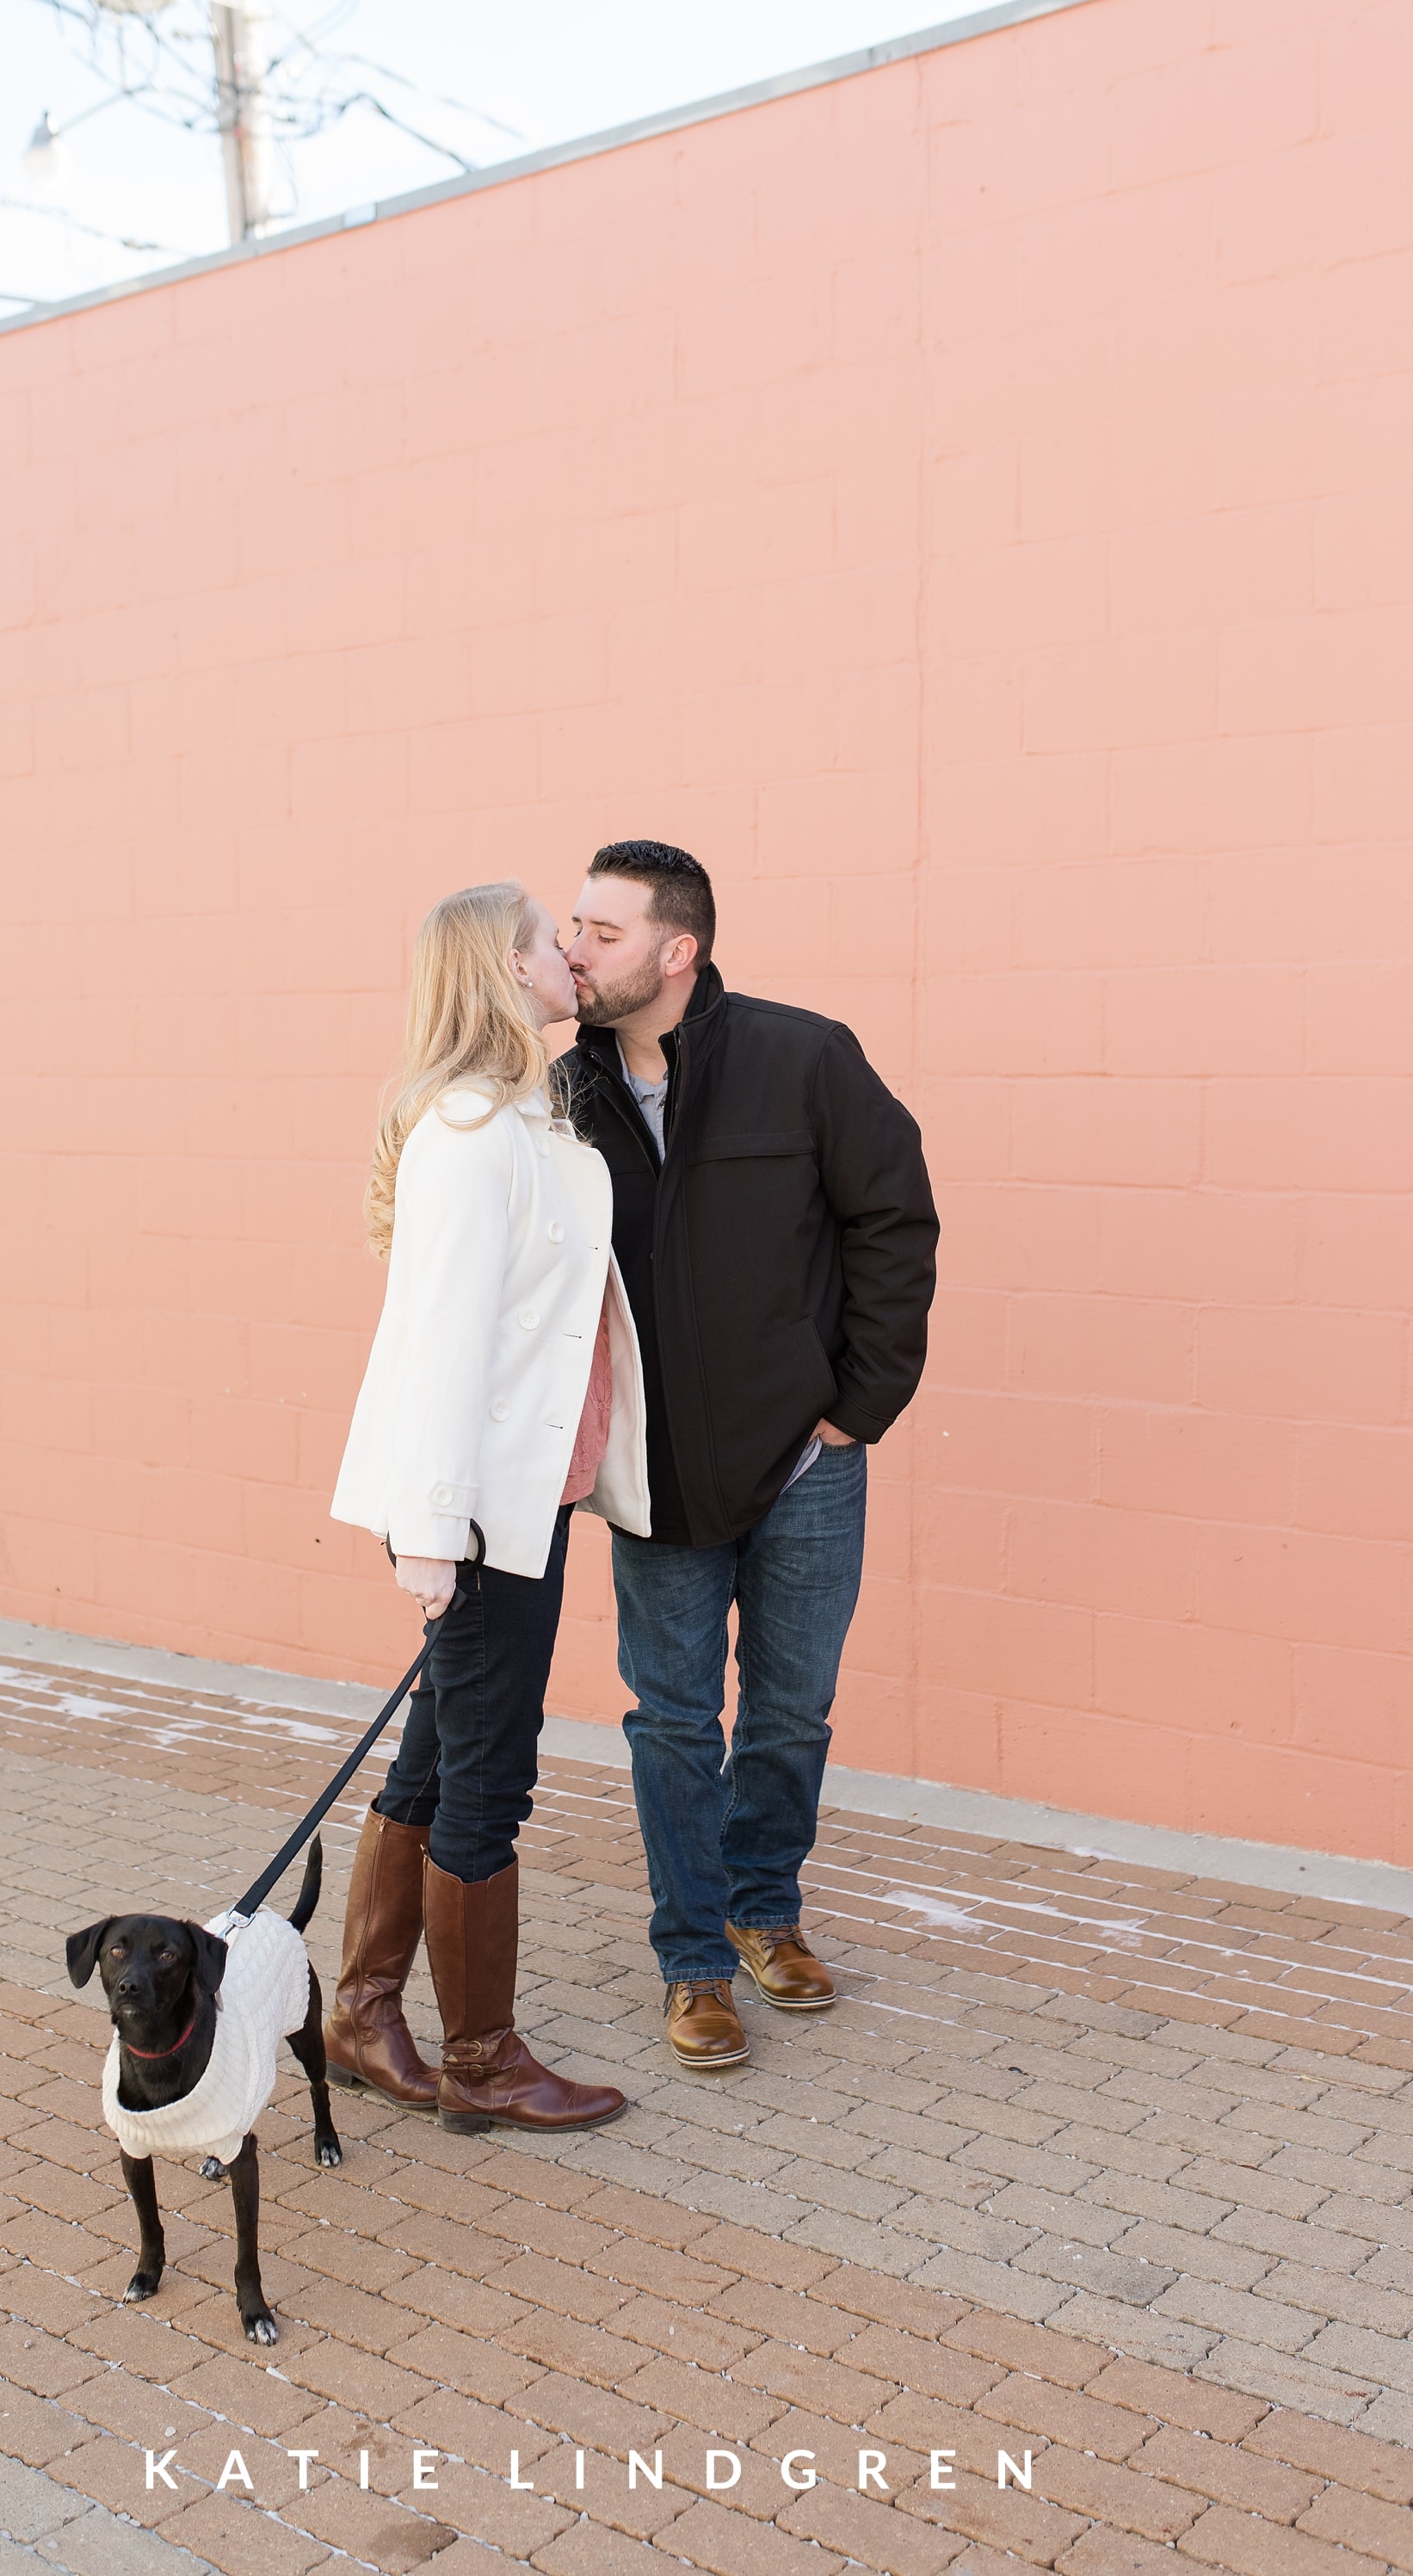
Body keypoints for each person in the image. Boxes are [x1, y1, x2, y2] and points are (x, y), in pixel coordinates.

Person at [559, 842, 937, 2069]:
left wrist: (859, 1403)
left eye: (602, 932)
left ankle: (764, 1909)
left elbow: (894, 1215)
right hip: (659, 1476)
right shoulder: (564, 1095)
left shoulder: (804, 1055)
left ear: (681, 951)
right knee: (673, 1721)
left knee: (789, 1709)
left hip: (806, 1465)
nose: (575, 949)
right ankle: (695, 1961)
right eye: (572, 926)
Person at [328, 880, 651, 2134]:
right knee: (487, 1780)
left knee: (438, 1755)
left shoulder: (519, 1120)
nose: (570, 955)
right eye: (550, 942)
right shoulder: (472, 1134)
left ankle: (361, 2014)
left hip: (518, 1503)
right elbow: (441, 1345)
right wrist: (431, 1534)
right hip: (474, 1519)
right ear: (510, 973)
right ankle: (482, 2061)